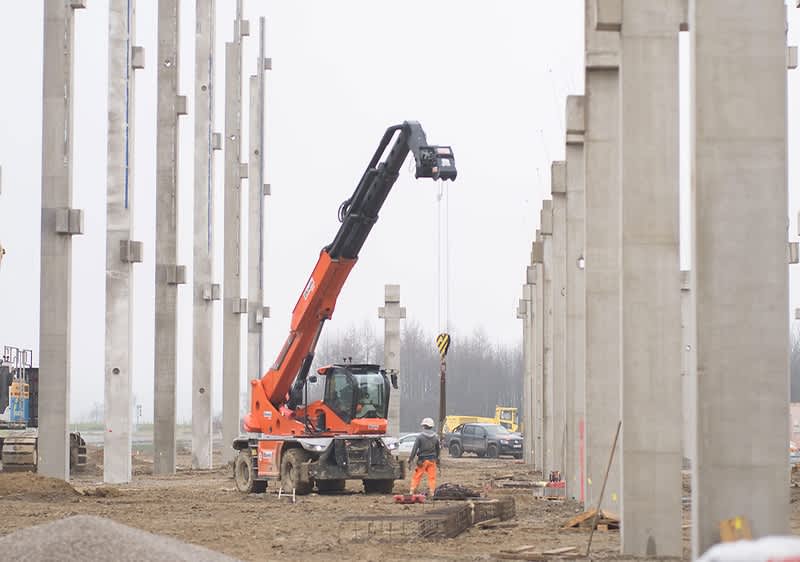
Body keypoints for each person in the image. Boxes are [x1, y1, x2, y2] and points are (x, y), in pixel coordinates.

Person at [408, 417, 441, 496]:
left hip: (422, 461)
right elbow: (438, 450)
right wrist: (437, 459)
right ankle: (432, 492)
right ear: (431, 426)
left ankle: (412, 490)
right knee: (432, 477)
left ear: (424, 426)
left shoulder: (420, 437)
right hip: (432, 460)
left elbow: (414, 449)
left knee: (417, 476)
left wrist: (410, 460)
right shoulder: (435, 437)